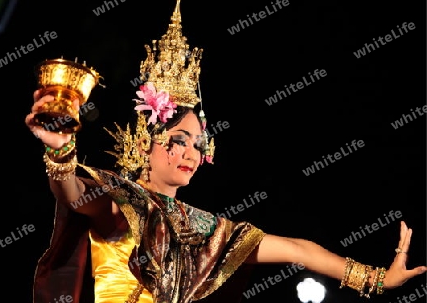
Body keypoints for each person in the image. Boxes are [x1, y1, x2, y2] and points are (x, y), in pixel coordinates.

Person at [26, 1, 426, 302]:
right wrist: (62, 151)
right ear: (144, 145)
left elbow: (296, 248)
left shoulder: (210, 232)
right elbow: (71, 195)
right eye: (178, 140)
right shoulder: (120, 200)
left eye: (198, 145)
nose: (190, 153)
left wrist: (376, 279)